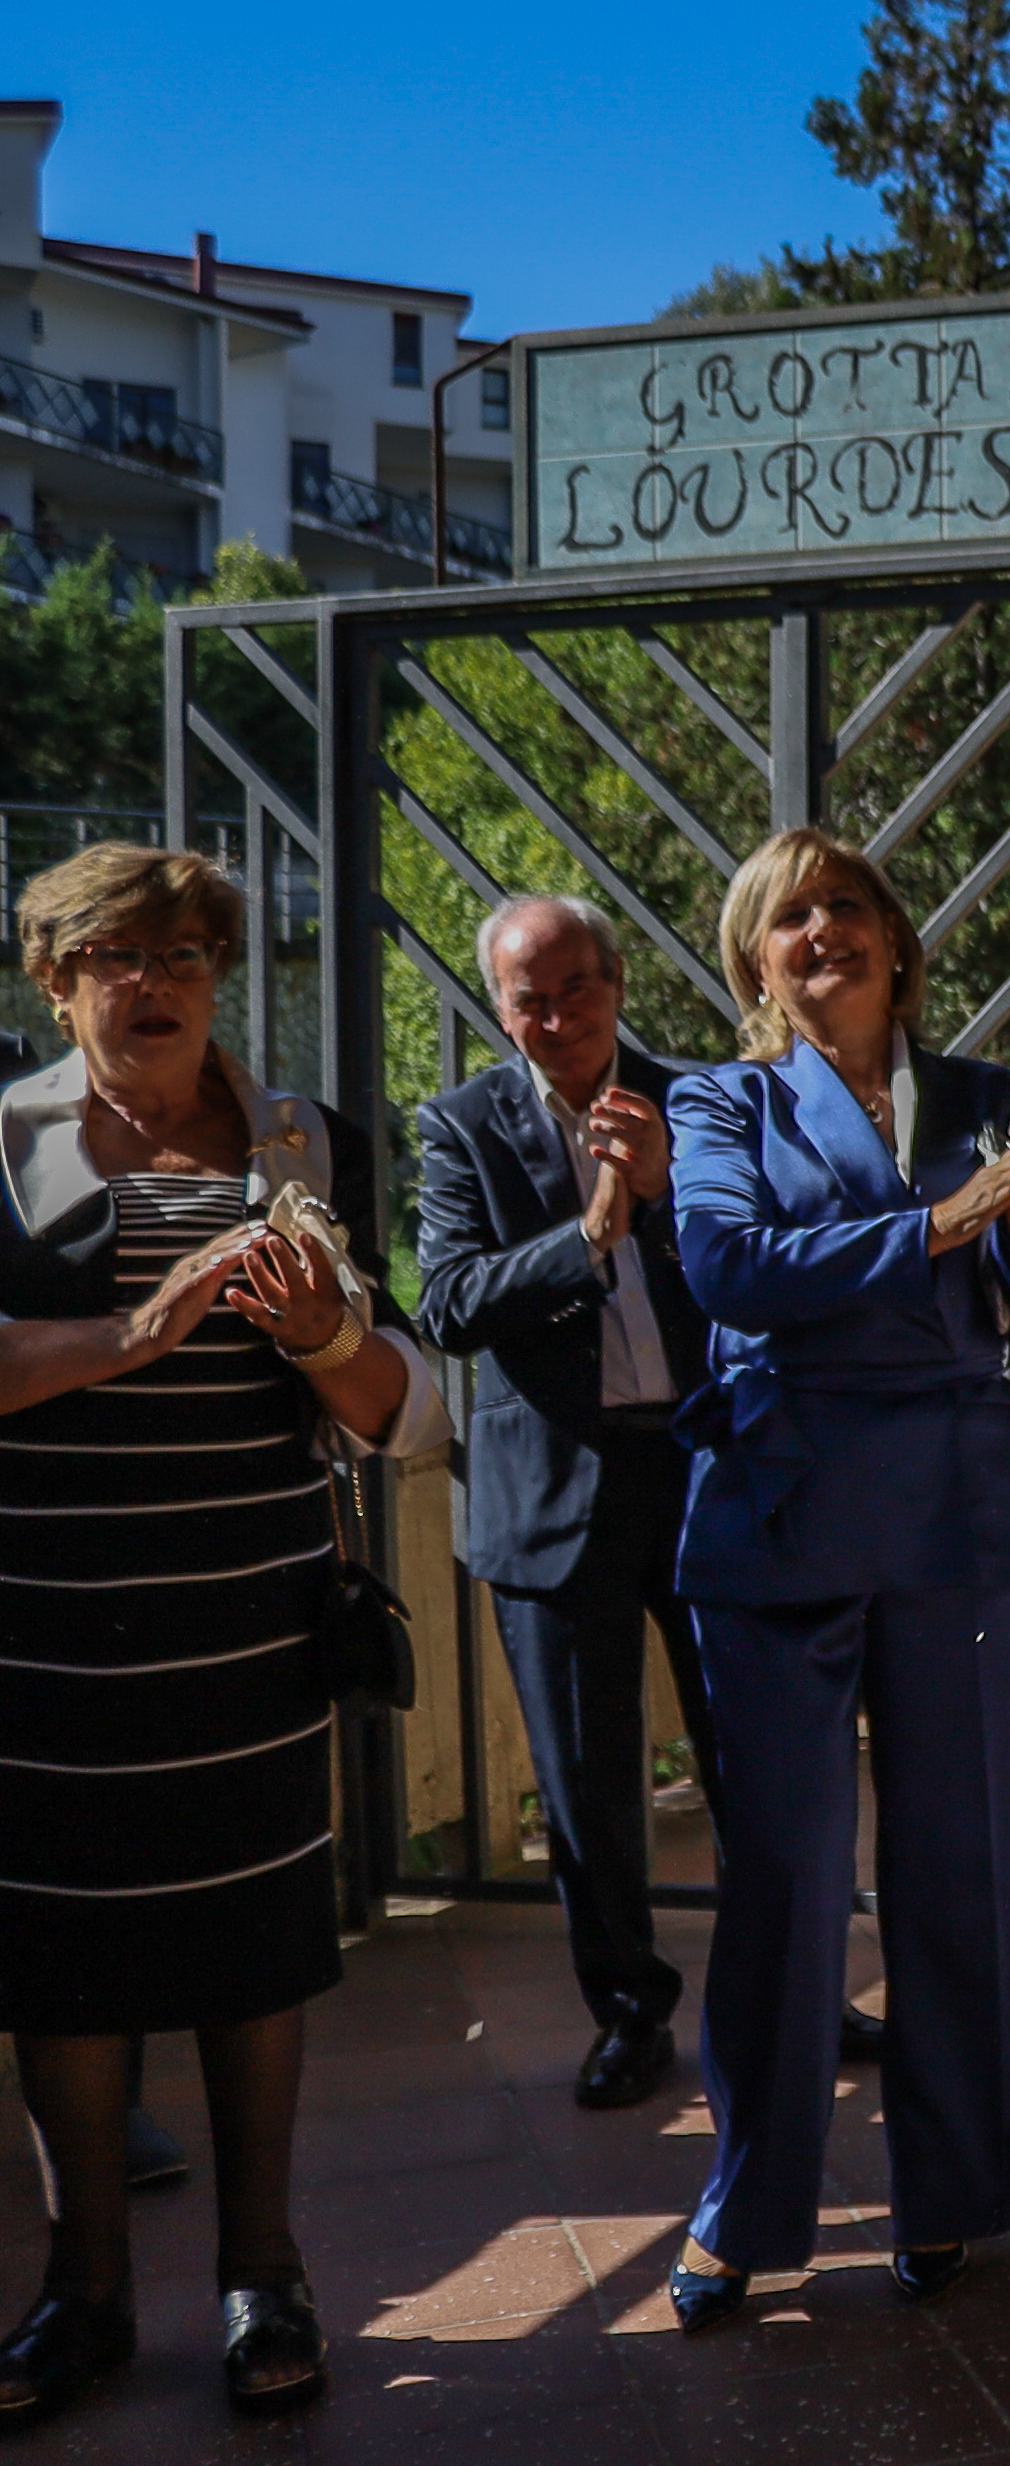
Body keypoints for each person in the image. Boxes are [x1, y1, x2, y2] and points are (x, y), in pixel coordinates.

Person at [0, 844, 445, 2425]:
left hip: (249, 1629)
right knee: (61, 1968)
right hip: (45, 1636)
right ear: (55, 980)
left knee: (255, 1956)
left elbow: (400, 1408)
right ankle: (83, 2296)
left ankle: (265, 2276)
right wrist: (137, 1329)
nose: (158, 981)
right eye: (118, 955)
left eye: (186, 953)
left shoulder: (300, 1141)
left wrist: (321, 1330)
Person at [657, 830, 1010, 2328]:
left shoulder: (991, 1100)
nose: (822, 929)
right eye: (789, 916)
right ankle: (745, 2201)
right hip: (780, 1513)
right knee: (785, 1880)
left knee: (968, 1871)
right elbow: (726, 1267)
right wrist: (938, 1227)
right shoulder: (719, 1098)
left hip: (954, 1522)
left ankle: (959, 2190)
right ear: (754, 961)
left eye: (848, 903)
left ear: (899, 942)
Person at [412, 895, 723, 2112]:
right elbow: (445, 1304)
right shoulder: (460, 1125)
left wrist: (667, 1197)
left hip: (709, 1474)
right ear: (500, 1008)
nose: (555, 1017)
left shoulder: (698, 1101)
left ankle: (799, 1993)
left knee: (759, 1760)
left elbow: (761, 1265)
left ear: (617, 982)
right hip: (553, 1496)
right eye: (528, 999)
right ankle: (630, 2014)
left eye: (576, 989)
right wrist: (594, 1231)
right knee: (590, 1787)